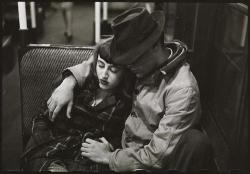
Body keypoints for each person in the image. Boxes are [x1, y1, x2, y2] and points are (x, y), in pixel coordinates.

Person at [46, 7, 214, 172]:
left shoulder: (182, 90)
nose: (127, 66)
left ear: (155, 47)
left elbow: (158, 156)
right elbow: (97, 59)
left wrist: (110, 158)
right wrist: (69, 81)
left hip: (148, 163)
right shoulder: (142, 60)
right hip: (123, 146)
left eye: (133, 59)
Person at [21, 39, 136, 172]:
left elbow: (123, 136)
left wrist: (111, 147)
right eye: (100, 65)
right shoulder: (79, 85)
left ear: (124, 73)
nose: (104, 74)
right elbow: (44, 115)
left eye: (113, 70)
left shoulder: (124, 103)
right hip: (54, 147)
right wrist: (40, 137)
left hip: (89, 158)